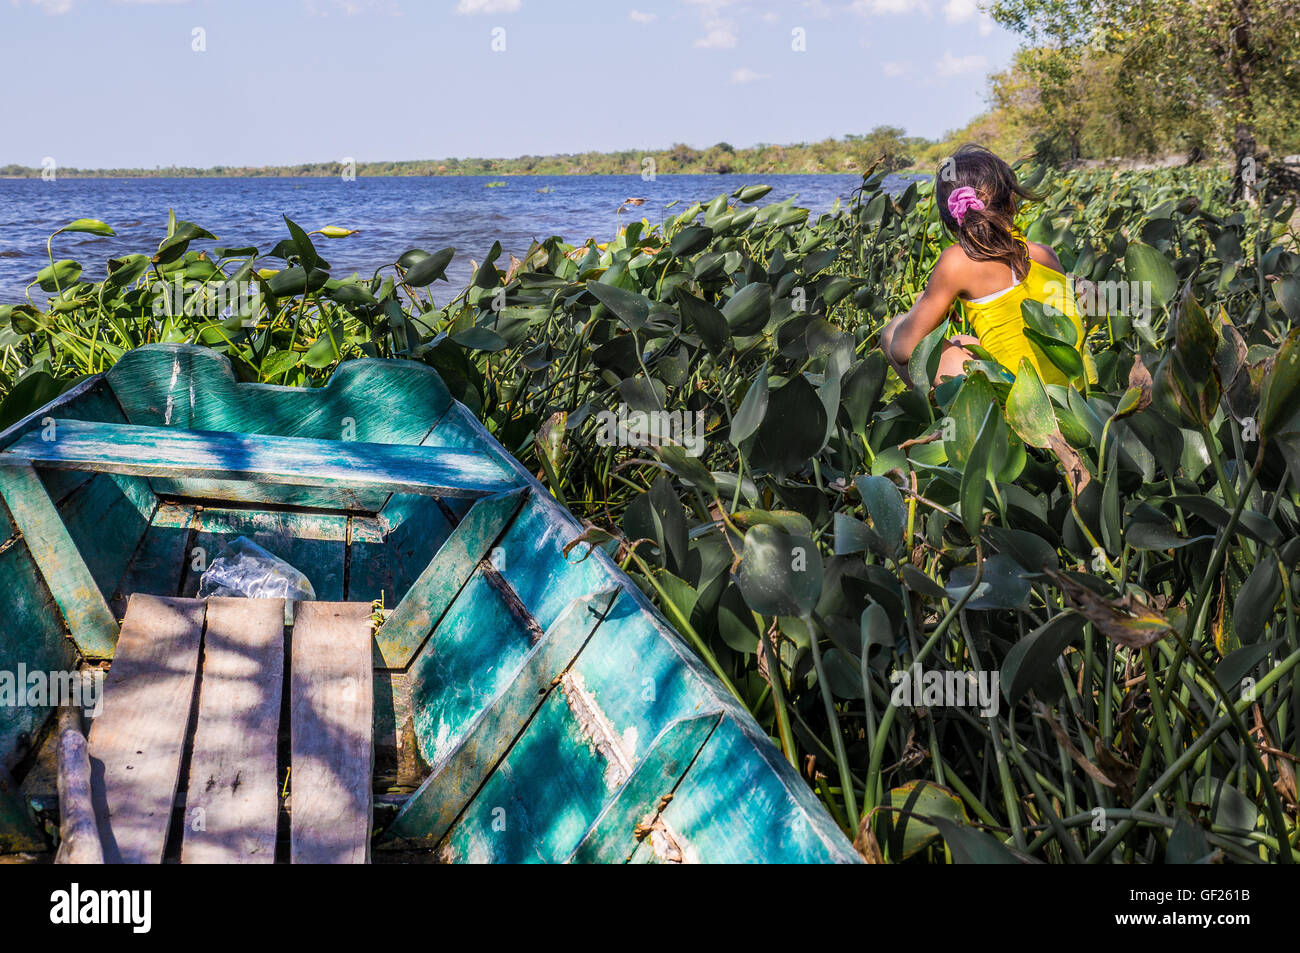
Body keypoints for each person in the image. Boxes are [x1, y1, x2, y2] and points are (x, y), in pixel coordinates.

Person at [879, 144, 1093, 388]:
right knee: (961, 340)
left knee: (893, 331)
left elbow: (903, 350)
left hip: (1022, 401)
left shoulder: (956, 260)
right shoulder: (1045, 253)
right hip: (1075, 396)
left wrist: (922, 307)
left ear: (948, 219)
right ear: (1011, 200)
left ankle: (957, 415)